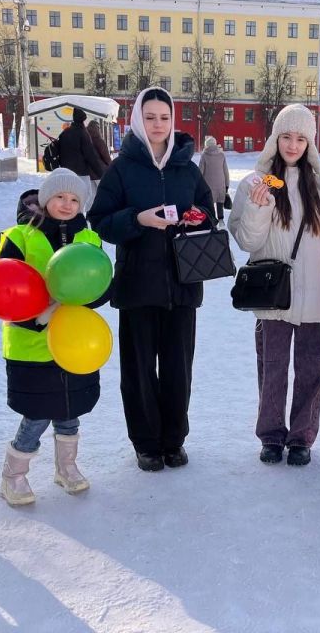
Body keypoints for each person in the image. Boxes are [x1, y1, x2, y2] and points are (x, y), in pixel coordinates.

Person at [88, 87, 213, 472]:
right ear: (137, 121)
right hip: (138, 285)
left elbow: (208, 212)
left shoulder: (186, 167)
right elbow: (101, 220)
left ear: (173, 121)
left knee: (179, 367)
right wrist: (136, 220)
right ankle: (145, 442)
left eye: (164, 117)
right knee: (139, 370)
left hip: (182, 284)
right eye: (150, 117)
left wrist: (197, 218)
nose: (158, 124)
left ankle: (174, 440)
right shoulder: (122, 168)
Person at [228, 104, 320, 466]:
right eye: (287, 137)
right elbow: (247, 241)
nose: (293, 145)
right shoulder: (255, 184)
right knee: (273, 368)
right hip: (273, 295)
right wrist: (258, 208)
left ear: (310, 143)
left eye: (301, 138)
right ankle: (270, 436)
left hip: (319, 294)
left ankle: (301, 438)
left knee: (313, 368)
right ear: (275, 139)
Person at [0, 168, 110, 505]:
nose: (67, 203)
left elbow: (101, 283)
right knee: (38, 411)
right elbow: (3, 287)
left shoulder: (89, 239)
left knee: (69, 408)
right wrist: (37, 316)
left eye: (75, 199)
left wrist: (89, 297)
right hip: (31, 341)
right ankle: (13, 476)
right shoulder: (20, 236)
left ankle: (66, 468)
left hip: (76, 340)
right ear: (45, 198)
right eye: (60, 196)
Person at [58, 107, 106, 184]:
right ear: (83, 119)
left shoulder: (65, 132)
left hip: (66, 173)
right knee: (83, 195)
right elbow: (90, 155)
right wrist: (101, 174)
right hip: (81, 174)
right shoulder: (83, 133)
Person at [198, 135, 230, 220]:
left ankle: (212, 220)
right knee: (220, 202)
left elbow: (200, 172)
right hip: (221, 185)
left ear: (206, 145)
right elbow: (225, 171)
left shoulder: (204, 155)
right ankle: (221, 219)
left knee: (209, 204)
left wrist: (198, 185)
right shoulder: (221, 155)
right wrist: (227, 185)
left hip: (208, 186)